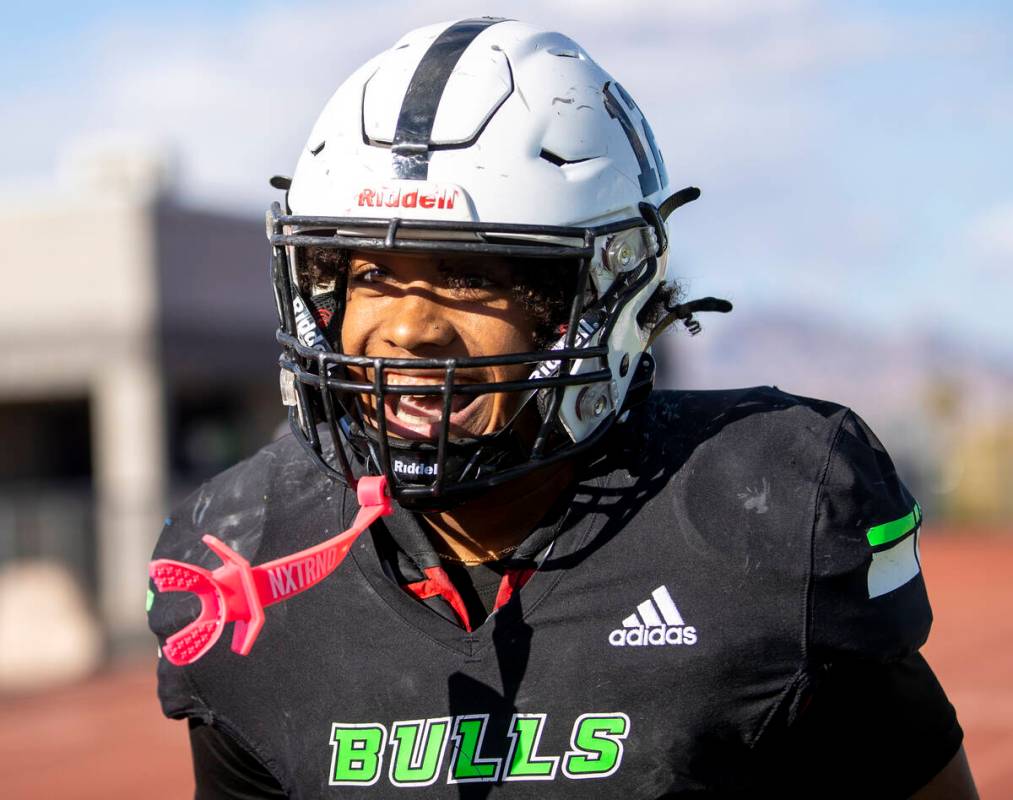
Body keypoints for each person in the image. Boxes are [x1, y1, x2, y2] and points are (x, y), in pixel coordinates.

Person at [148, 17, 978, 799]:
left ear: (599, 294)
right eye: (369, 273)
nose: (404, 328)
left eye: (472, 276)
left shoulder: (768, 521)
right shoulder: (243, 552)